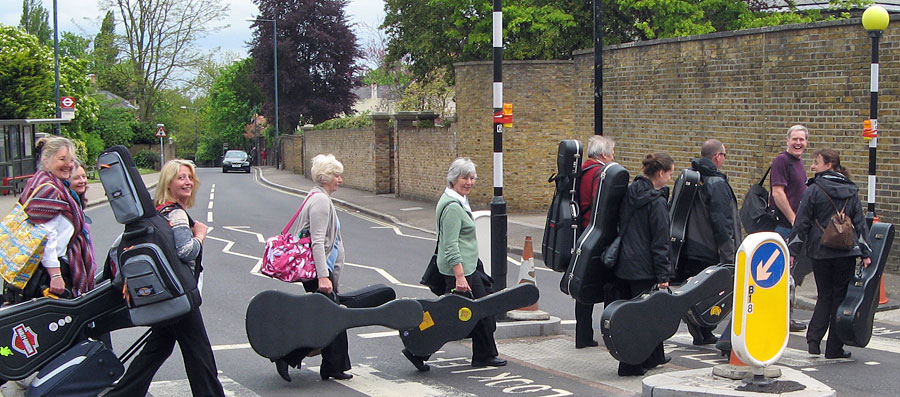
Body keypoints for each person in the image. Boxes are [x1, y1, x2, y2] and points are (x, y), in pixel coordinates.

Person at [106, 159, 225, 397]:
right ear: (168, 183)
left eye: (190, 177)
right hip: (179, 293)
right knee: (199, 353)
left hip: (163, 291)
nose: (188, 182)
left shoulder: (154, 211)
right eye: (181, 177)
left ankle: (121, 394)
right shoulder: (177, 215)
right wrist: (200, 236)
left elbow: (116, 248)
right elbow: (185, 251)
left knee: (158, 348)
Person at [402, 158, 506, 372]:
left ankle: (481, 354)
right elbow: (450, 245)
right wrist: (459, 276)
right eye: (464, 178)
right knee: (477, 311)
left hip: (469, 268)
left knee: (464, 313)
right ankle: (419, 351)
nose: (469, 182)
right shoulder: (451, 207)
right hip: (460, 271)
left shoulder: (458, 200)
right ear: (453, 179)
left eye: (471, 177)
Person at [273, 154, 352, 382]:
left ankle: (332, 366)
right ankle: (288, 356)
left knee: (328, 319)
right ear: (326, 177)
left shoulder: (319, 197)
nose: (340, 179)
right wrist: (323, 277)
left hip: (320, 272)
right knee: (332, 320)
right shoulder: (320, 201)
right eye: (337, 175)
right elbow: (317, 242)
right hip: (318, 273)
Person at [788, 149, 871, 359]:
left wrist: (793, 251)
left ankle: (814, 340)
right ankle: (834, 349)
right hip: (846, 252)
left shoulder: (813, 190)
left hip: (820, 251)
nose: (813, 166)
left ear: (829, 165)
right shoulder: (851, 190)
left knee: (824, 295)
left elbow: (802, 223)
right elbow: (860, 223)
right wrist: (866, 252)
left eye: (816, 162)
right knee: (839, 298)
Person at [3, 137, 95, 302]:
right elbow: (46, 237)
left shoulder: (46, 182)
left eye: (71, 160)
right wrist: (56, 275)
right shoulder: (50, 191)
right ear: (46, 161)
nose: (68, 164)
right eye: (62, 159)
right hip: (45, 275)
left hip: (42, 270)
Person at [614, 152, 675, 376]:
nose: (670, 178)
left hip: (625, 263)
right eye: (670, 174)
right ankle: (631, 364)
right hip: (645, 267)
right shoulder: (657, 203)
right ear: (660, 173)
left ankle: (653, 357)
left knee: (638, 313)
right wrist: (663, 276)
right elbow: (660, 243)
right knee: (644, 317)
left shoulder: (632, 191)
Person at [680, 139, 740, 345]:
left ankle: (700, 333)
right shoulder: (716, 183)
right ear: (717, 156)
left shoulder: (692, 177)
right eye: (724, 155)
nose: (724, 158)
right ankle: (704, 330)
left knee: (694, 292)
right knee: (710, 291)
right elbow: (722, 222)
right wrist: (729, 253)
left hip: (690, 245)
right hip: (709, 248)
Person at [574, 135, 616, 349]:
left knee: (584, 286)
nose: (613, 157)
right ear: (604, 154)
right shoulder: (600, 173)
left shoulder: (581, 170)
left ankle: (583, 335)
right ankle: (610, 334)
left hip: (581, 233)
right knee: (609, 286)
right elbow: (601, 205)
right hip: (596, 235)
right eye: (612, 153)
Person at [770, 125, 810, 332]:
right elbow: (778, 193)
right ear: (787, 140)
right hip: (784, 227)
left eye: (802, 140)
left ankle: (786, 317)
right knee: (782, 274)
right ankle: (782, 318)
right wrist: (795, 221)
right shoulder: (782, 161)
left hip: (794, 228)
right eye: (795, 139)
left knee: (790, 274)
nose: (798, 143)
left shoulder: (799, 163)